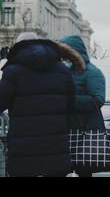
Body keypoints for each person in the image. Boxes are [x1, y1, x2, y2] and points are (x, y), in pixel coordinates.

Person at [0, 32, 76, 177]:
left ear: (18, 47)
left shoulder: (12, 71)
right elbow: (71, 102)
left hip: (24, 144)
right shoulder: (62, 69)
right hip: (55, 141)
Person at [58, 35, 106, 177]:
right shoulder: (68, 71)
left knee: (84, 170)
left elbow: (98, 100)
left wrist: (68, 101)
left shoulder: (92, 72)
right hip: (70, 129)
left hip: (84, 129)